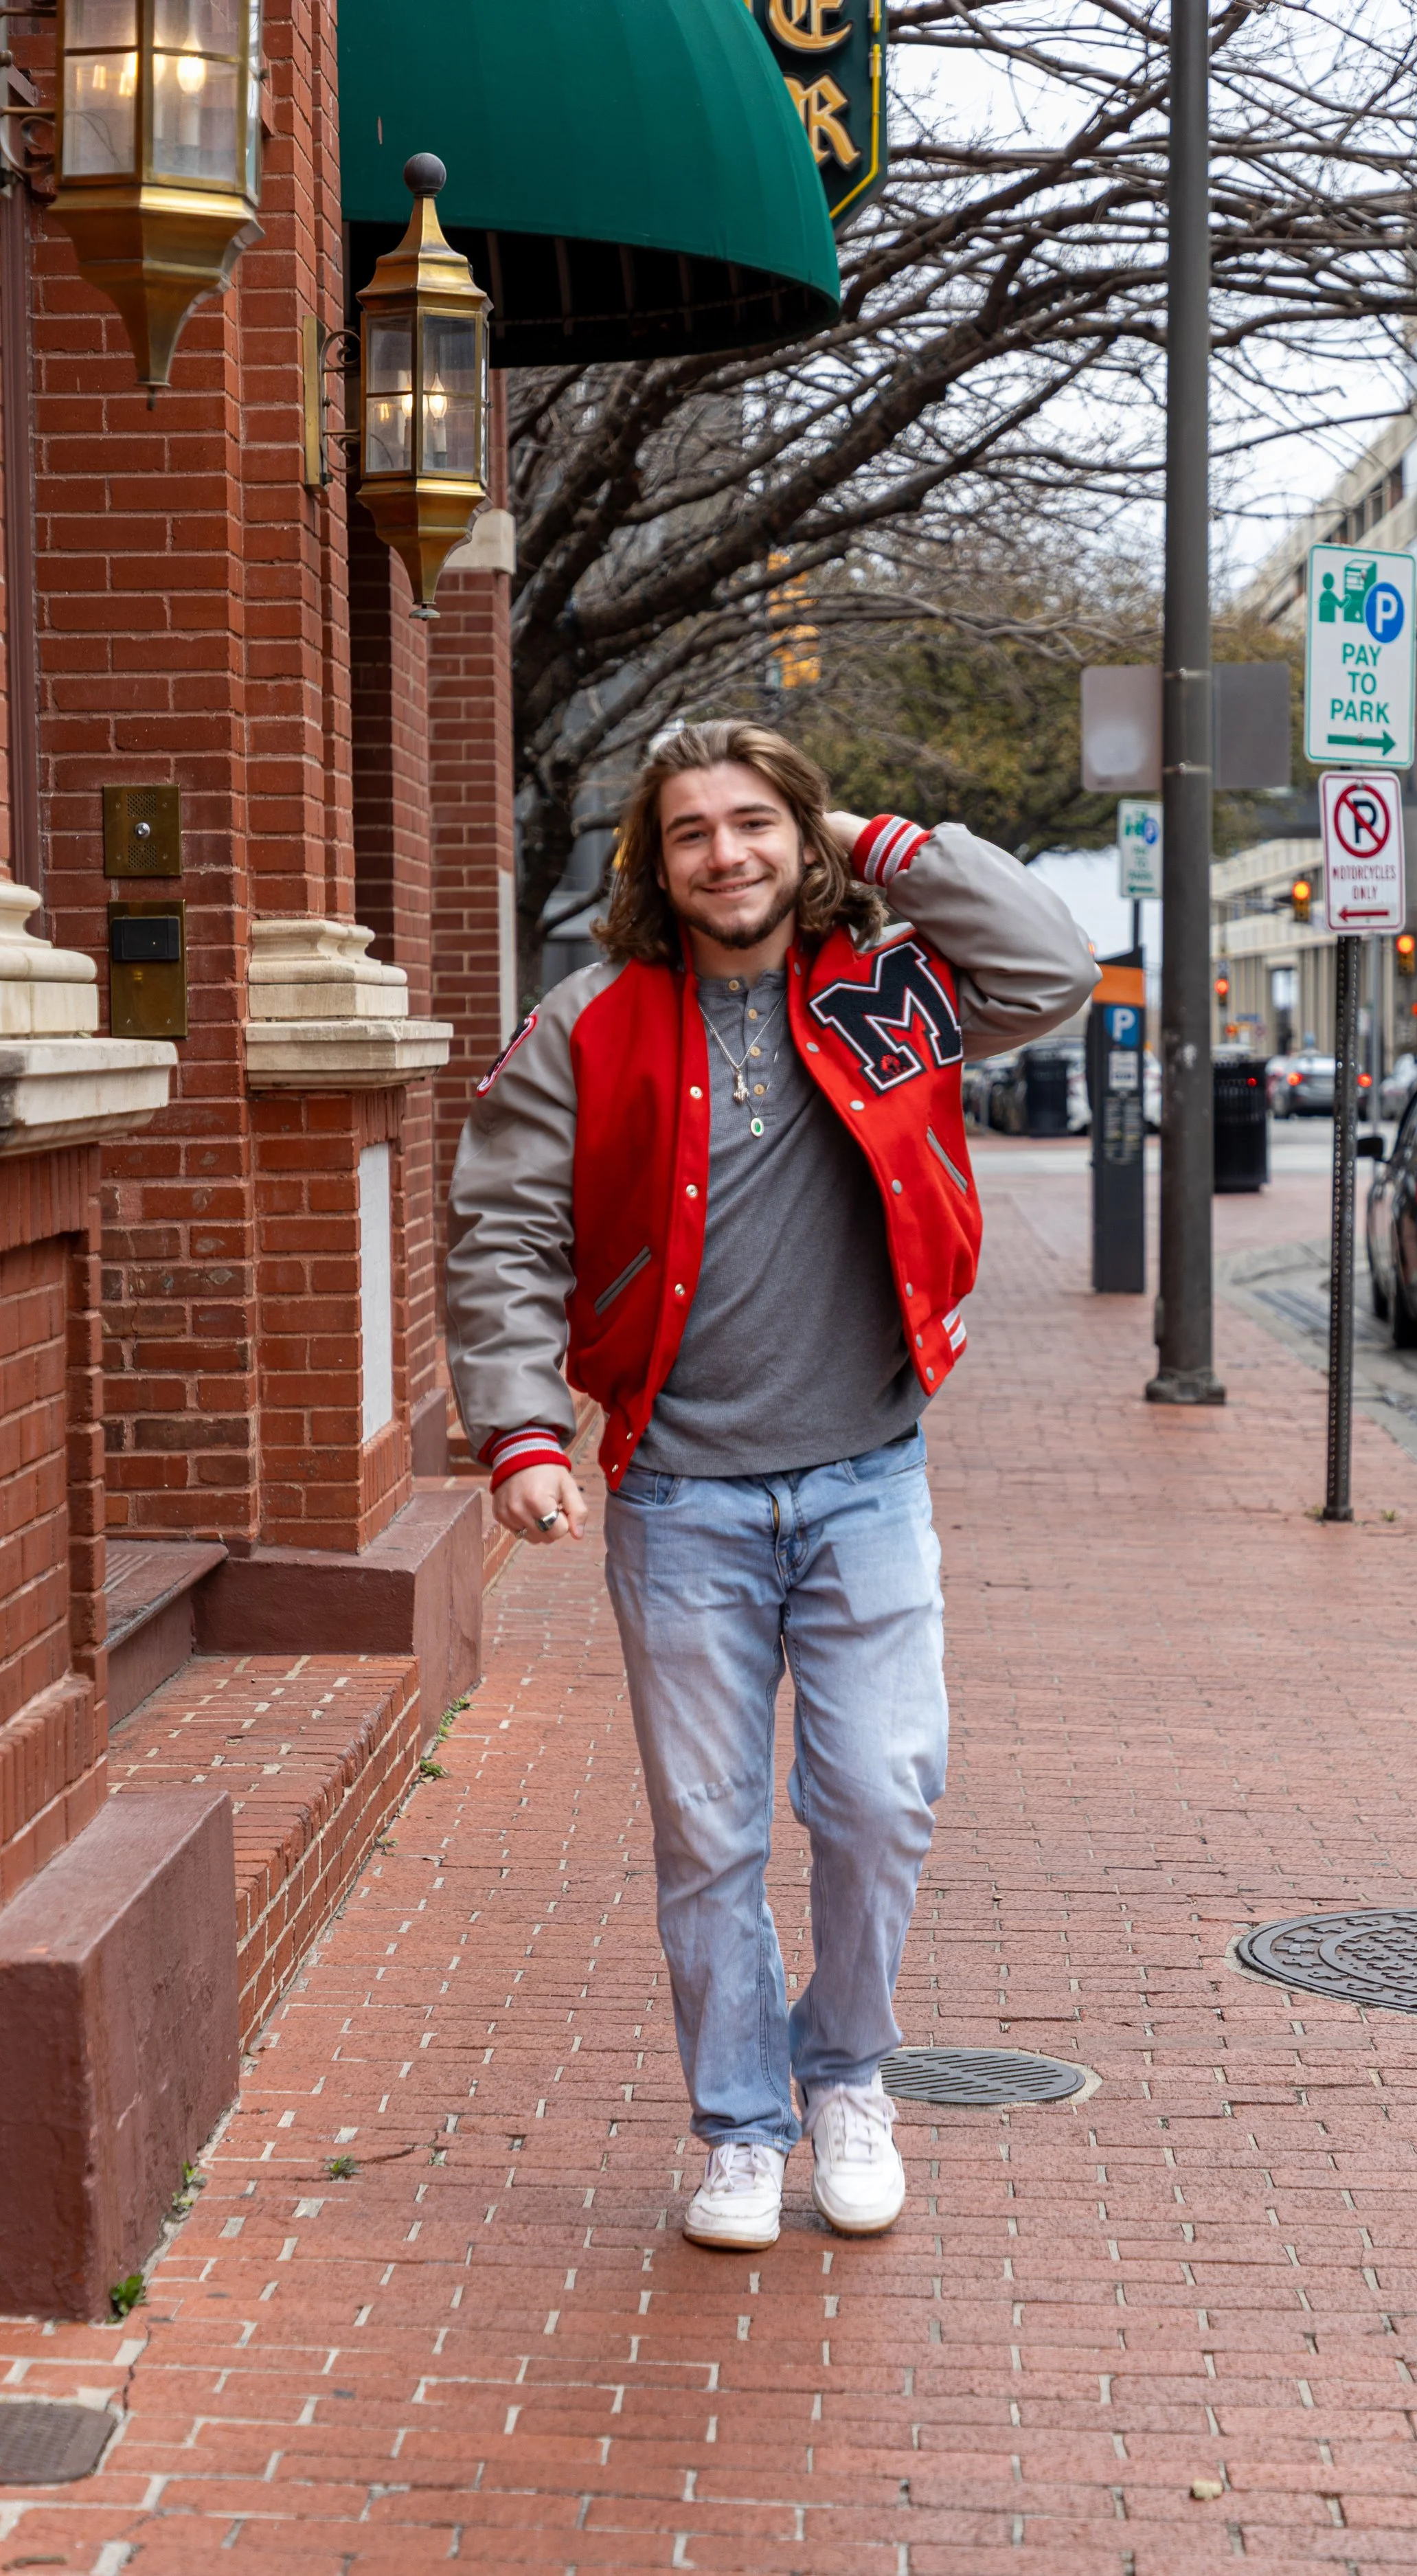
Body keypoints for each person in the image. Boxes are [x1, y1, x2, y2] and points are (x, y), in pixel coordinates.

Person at [445, 720, 1096, 2252]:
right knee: (710, 1834)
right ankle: (741, 2127)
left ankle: (847, 2076)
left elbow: (1051, 967)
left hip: (866, 1479)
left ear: (800, 840)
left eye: (755, 823)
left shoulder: (887, 990)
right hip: (682, 1503)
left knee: (878, 1798)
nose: (725, 855)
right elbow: (499, 1241)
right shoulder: (589, 1023)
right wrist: (522, 1433)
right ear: (651, 865)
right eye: (690, 833)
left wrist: (875, 843)